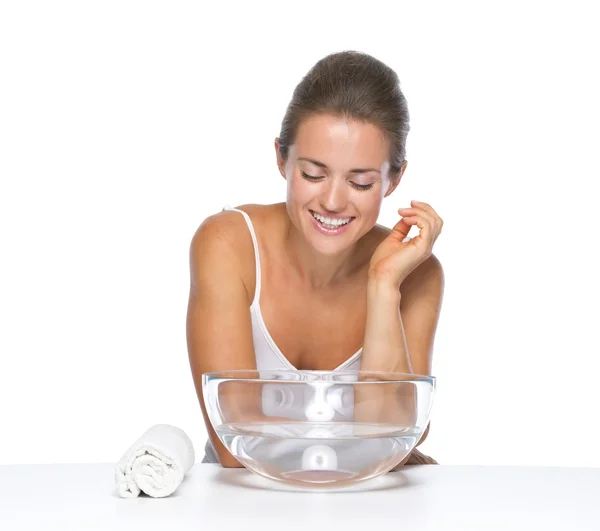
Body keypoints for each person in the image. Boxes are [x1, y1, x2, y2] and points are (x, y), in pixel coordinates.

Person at [186, 50, 444, 469]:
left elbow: (390, 436)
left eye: (361, 182)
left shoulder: (415, 273)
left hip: (364, 510)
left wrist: (382, 285)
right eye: (312, 174)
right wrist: (369, 455)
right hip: (240, 509)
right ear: (281, 158)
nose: (333, 201)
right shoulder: (227, 245)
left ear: (393, 179)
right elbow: (236, 448)